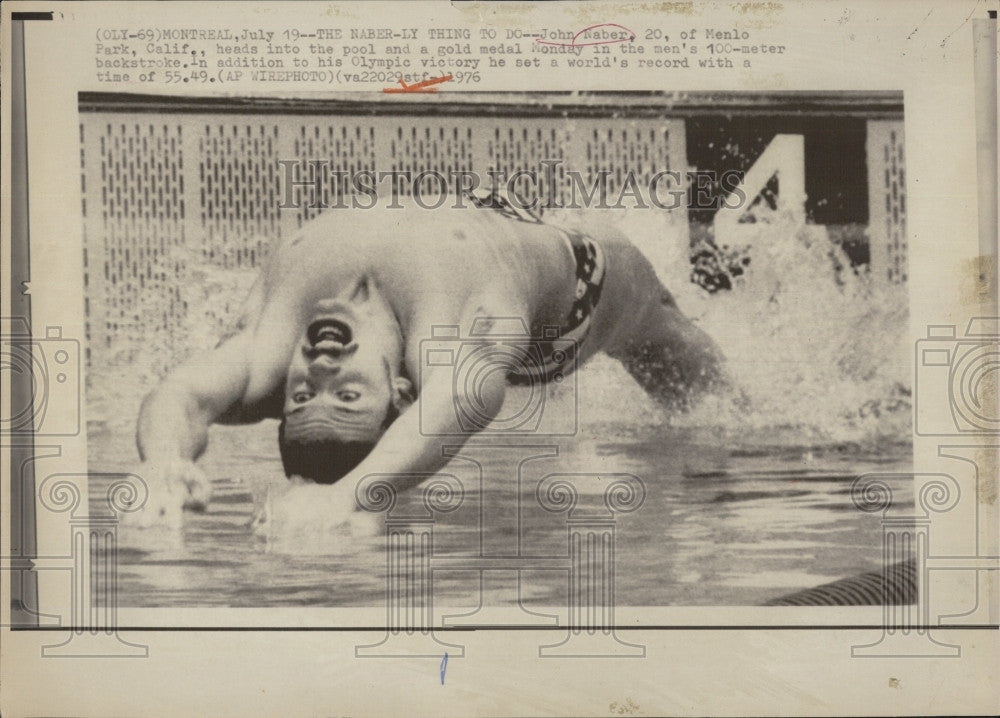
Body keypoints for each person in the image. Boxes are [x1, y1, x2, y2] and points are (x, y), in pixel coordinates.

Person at [131, 189, 724, 530]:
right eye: (349, 397)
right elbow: (461, 403)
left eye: (303, 397)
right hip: (584, 298)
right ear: (403, 392)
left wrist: (162, 461)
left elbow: (180, 395)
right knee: (708, 397)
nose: (320, 371)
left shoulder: (270, 354)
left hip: (485, 213)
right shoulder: (448, 332)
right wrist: (349, 498)